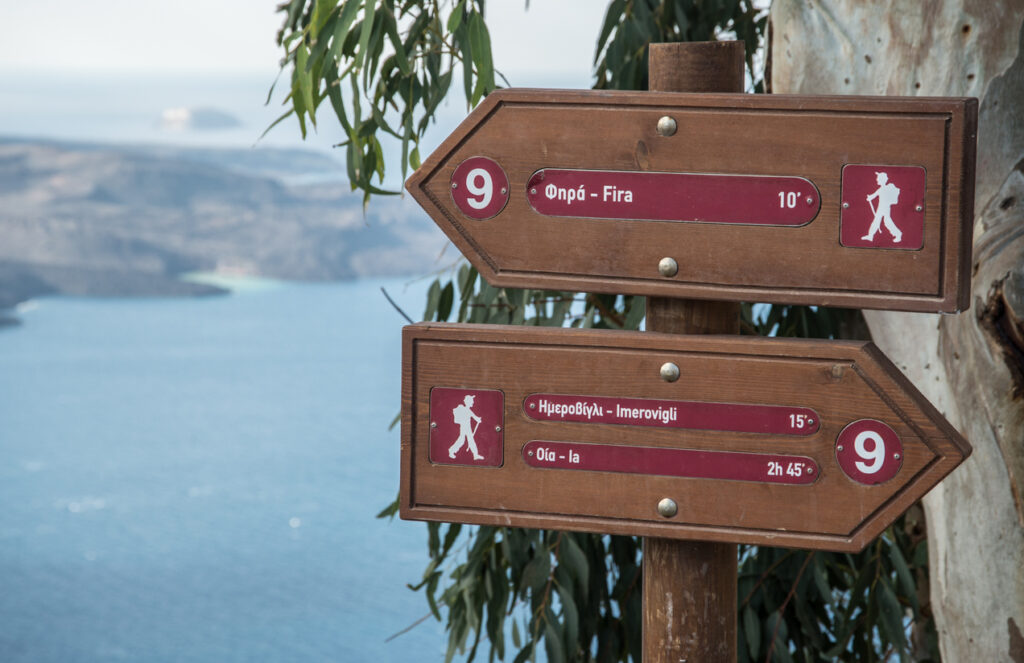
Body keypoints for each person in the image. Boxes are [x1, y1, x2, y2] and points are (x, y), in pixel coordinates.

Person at [862, 171, 902, 243]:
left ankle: (898, 234)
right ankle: (870, 236)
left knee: (886, 221)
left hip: (885, 208)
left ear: (882, 180)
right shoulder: (880, 189)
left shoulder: (886, 188)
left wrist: (870, 198)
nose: (877, 180)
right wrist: (869, 197)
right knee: (876, 221)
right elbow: (873, 195)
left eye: (878, 179)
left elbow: (874, 196)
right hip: (881, 208)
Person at [449, 394, 483, 460]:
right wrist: (478, 419)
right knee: (462, 440)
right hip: (464, 428)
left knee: (469, 440)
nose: (473, 402)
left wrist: (478, 419)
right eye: (472, 401)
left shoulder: (468, 410)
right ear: (468, 402)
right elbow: (475, 417)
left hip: (467, 428)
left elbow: (475, 417)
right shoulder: (466, 410)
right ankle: (451, 451)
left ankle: (475, 455)